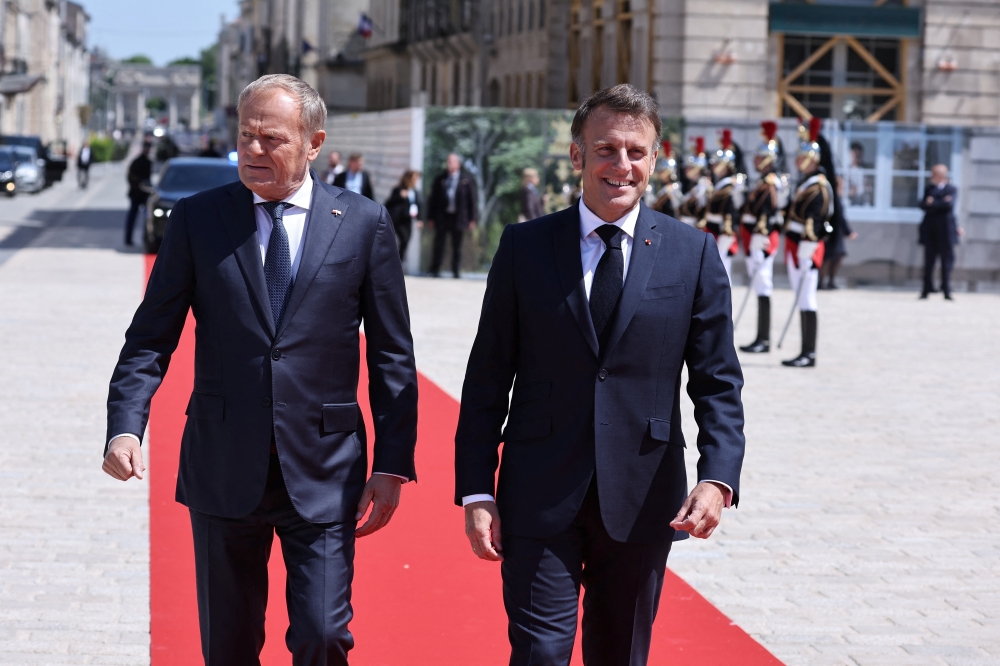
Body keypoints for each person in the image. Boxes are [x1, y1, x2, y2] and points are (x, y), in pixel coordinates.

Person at [102, 74, 418, 665]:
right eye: (246, 136)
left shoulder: (364, 223)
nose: (252, 150)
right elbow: (150, 337)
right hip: (223, 465)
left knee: (323, 634)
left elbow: (392, 354)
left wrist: (394, 463)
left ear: (313, 142)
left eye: (270, 138)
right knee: (228, 645)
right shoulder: (199, 220)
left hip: (325, 469)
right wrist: (126, 424)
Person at [455, 84, 745, 665]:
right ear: (577, 155)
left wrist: (718, 478)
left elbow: (717, 380)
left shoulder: (693, 254)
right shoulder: (524, 247)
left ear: (655, 159)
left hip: (643, 495)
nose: (622, 165)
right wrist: (476, 490)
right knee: (539, 652)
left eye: (636, 152)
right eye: (606, 149)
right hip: (538, 490)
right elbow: (487, 377)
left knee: (620, 655)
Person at [781, 118, 834, 368]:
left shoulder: (819, 187)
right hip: (795, 245)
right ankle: (804, 351)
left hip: (806, 248)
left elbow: (815, 222)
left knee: (808, 300)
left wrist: (807, 253)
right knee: (803, 299)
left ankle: (809, 352)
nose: (797, 161)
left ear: (813, 160)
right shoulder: (805, 184)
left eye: (802, 158)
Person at [738, 121, 789, 354]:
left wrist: (761, 236)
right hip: (755, 237)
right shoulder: (763, 181)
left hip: (762, 238)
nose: (755, 160)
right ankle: (761, 336)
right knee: (760, 286)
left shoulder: (769, 184)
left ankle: (764, 338)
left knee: (763, 286)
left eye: (759, 157)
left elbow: (767, 214)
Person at [427, 153, 478, 278]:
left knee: (457, 245)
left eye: (452, 162)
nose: (449, 164)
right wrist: (430, 217)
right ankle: (434, 270)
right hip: (443, 217)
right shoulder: (440, 179)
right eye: (448, 161)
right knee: (439, 243)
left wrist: (472, 219)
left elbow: (472, 201)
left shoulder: (466, 179)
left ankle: (456, 271)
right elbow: (432, 200)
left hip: (458, 217)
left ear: (458, 164)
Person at [704, 129, 745, 283]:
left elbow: (732, 210)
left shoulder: (730, 186)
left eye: (719, 163)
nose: (715, 165)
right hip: (712, 228)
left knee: (722, 272)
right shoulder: (719, 185)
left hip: (723, 231)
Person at [919, 164, 961, 300]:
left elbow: (948, 206)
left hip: (946, 231)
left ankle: (946, 289)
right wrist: (939, 202)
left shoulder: (951, 189)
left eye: (934, 174)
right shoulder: (929, 188)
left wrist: (933, 202)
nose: (931, 177)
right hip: (930, 231)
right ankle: (926, 289)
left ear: (942, 175)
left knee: (946, 262)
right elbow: (922, 205)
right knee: (928, 262)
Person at [385, 169, 423, 261]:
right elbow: (388, 203)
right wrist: (399, 196)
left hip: (408, 219)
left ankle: (399, 262)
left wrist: (419, 219)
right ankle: (396, 261)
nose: (415, 180)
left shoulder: (415, 192)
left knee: (406, 241)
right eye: (413, 178)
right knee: (403, 239)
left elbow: (418, 206)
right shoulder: (398, 189)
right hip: (398, 220)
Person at [675, 137, 712, 227]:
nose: (687, 170)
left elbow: (704, 208)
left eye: (690, 167)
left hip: (697, 226)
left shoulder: (704, 186)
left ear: (697, 169)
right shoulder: (691, 184)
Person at [123, 143, 152, 246]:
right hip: (136, 194)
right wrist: (139, 185)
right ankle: (128, 239)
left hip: (144, 195)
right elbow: (131, 177)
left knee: (148, 218)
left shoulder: (148, 162)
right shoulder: (137, 161)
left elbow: (148, 179)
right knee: (132, 217)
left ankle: (147, 239)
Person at [651, 140, 682, 218]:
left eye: (662, 171)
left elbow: (678, 208)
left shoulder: (675, 187)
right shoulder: (655, 186)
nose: (660, 173)